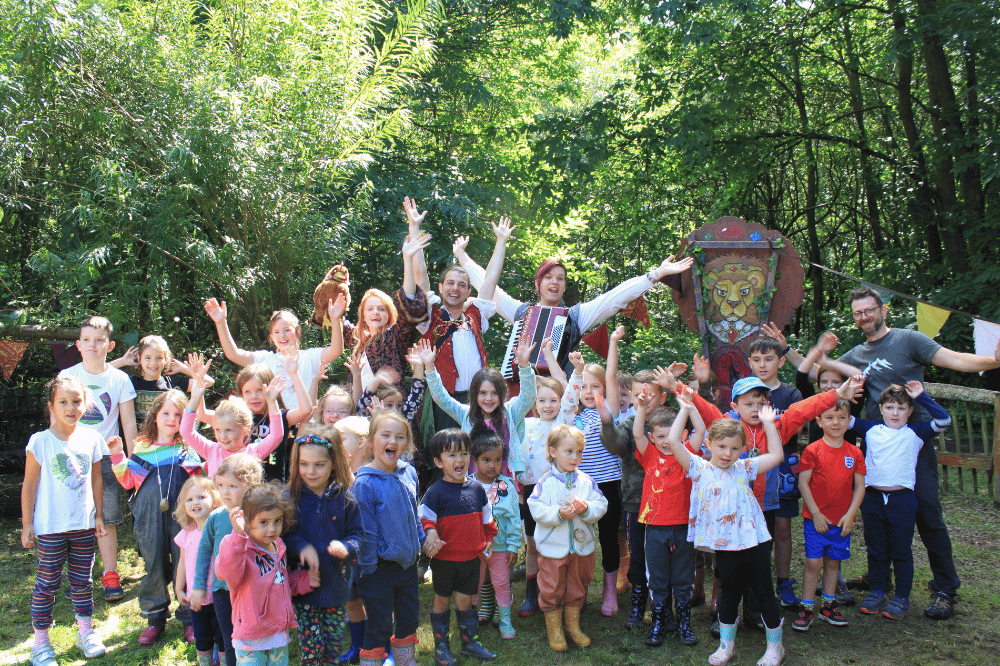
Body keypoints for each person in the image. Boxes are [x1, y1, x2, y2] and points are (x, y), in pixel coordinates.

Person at [829, 286, 1000, 619]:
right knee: (876, 515)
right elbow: (817, 371)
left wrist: (995, 360)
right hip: (876, 446)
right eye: (858, 313)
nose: (865, 317)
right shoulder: (854, 357)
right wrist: (788, 350)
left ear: (883, 310)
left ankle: (945, 588)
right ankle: (879, 579)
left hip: (913, 443)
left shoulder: (909, 340)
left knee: (927, 512)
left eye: (869, 310)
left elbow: (956, 359)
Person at [453, 225, 694, 377]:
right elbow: (489, 287)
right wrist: (463, 258)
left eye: (560, 278)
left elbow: (613, 298)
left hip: (561, 392)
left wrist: (654, 275)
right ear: (538, 284)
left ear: (565, 285)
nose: (554, 283)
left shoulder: (576, 316)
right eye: (548, 277)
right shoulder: (521, 312)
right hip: (522, 391)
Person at [672, 394, 787, 666]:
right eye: (722, 447)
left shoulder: (745, 468)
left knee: (764, 592)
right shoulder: (697, 468)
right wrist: (685, 410)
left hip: (754, 542)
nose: (727, 454)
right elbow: (675, 442)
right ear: (709, 444)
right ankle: (727, 646)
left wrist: (769, 423)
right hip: (725, 545)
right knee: (728, 593)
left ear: (743, 450)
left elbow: (777, 455)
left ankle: (775, 648)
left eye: (734, 449)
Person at [22, 376, 111, 666]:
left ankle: (86, 633)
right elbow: (29, 485)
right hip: (50, 528)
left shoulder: (92, 439)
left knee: (82, 582)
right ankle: (41, 644)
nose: (70, 407)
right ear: (51, 406)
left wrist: (99, 515)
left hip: (84, 526)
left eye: (76, 401)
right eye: (63, 401)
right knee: (47, 583)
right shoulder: (40, 442)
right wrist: (27, 524)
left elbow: (97, 478)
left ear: (85, 405)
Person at [108, 389, 203, 644]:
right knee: (154, 565)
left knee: (186, 564)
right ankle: (155, 617)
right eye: (166, 413)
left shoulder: (187, 448)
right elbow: (128, 481)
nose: (172, 419)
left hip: (183, 520)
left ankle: (189, 617)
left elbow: (198, 485)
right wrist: (118, 455)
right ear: (155, 416)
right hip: (150, 520)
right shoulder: (143, 448)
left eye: (178, 415)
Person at [394, 198, 496, 431]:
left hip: (479, 401)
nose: (455, 288)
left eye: (461, 285)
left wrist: (500, 241)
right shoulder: (431, 317)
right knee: (447, 454)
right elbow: (420, 275)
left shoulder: (475, 316)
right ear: (440, 288)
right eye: (450, 283)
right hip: (445, 401)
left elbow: (490, 280)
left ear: (469, 292)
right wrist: (414, 226)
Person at [853, 382, 951, 620]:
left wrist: (921, 396)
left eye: (901, 408)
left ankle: (902, 596)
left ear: (910, 411)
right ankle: (877, 591)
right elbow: (841, 417)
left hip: (902, 500)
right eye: (890, 407)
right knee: (876, 549)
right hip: (873, 499)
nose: (895, 413)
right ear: (880, 408)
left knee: (901, 551)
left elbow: (944, 420)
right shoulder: (870, 428)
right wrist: (846, 392)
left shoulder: (916, 432)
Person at [59, 316, 138, 603]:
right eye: (88, 340)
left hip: (107, 459)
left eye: (99, 340)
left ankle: (111, 575)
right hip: (73, 458)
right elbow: (58, 420)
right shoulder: (67, 377)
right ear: (78, 345)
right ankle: (80, 577)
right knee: (77, 519)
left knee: (106, 518)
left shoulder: (120, 379)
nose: (93, 345)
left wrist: (134, 459)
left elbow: (128, 423)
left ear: (110, 345)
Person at [600, 364, 685, 630]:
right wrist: (605, 422)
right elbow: (615, 445)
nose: (643, 400)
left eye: (649, 394)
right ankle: (638, 605)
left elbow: (695, 413)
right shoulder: (630, 423)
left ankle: (666, 608)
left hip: (670, 507)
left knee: (668, 559)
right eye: (637, 394)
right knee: (638, 558)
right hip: (638, 504)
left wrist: (677, 384)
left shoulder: (671, 422)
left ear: (662, 397)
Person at [284, 426, 365, 666]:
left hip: (337, 588)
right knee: (312, 650)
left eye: (319, 464)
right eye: (304, 464)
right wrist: (301, 546)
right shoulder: (291, 497)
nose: (310, 471)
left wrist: (346, 547)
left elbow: (358, 536)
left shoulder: (346, 497)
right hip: (304, 590)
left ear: (334, 463)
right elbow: (282, 535)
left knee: (332, 647)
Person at [419, 429, 499, 664]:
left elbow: (487, 518)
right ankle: (441, 648)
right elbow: (424, 517)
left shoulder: (476, 489)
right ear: (438, 462)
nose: (460, 460)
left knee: (465, 601)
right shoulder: (435, 492)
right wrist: (431, 532)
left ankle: (470, 643)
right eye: (452, 455)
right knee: (442, 601)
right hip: (445, 561)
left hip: (471, 560)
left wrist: (489, 539)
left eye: (464, 453)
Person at [353, 411, 426, 666]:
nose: (392, 441)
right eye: (385, 435)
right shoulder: (364, 484)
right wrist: (367, 569)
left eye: (400, 437)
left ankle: (405, 662)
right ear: (372, 442)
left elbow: (413, 514)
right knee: (379, 625)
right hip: (378, 569)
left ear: (407, 444)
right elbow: (367, 532)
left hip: (407, 566)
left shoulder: (409, 473)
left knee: (408, 620)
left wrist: (422, 541)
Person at [633, 390, 704, 648]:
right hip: (654, 528)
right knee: (658, 578)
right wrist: (641, 407)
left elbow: (700, 429)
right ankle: (659, 620)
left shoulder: (687, 455)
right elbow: (637, 434)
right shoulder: (649, 455)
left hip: (683, 527)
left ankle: (685, 622)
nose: (665, 441)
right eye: (660, 437)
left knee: (683, 577)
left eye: (670, 435)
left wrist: (687, 407)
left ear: (681, 435)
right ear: (653, 438)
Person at [528, 425, 609, 652]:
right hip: (554, 548)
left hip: (581, 547)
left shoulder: (586, 481)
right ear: (553, 452)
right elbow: (536, 508)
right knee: (552, 587)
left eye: (579, 452)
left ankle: (573, 626)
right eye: (569, 452)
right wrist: (557, 514)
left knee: (577, 586)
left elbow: (601, 504)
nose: (575, 457)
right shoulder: (546, 482)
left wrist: (586, 510)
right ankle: (555, 629)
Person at [216, 482, 315, 666]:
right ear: (247, 520)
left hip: (277, 635)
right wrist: (238, 537)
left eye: (277, 521)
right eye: (264, 522)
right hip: (250, 639)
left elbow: (280, 582)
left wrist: (304, 581)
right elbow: (225, 572)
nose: (272, 529)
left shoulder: (279, 547)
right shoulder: (237, 547)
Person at [517, 350, 584, 617]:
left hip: (558, 492)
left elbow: (571, 400)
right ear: (534, 403)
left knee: (560, 542)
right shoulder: (525, 424)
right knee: (533, 545)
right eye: (542, 400)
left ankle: (566, 591)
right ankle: (532, 592)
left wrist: (577, 372)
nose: (547, 405)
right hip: (530, 493)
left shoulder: (561, 423)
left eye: (553, 400)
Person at [792, 400, 866, 631]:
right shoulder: (813, 450)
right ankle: (806, 607)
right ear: (819, 421)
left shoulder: (854, 453)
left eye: (841, 418)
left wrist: (850, 515)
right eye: (830, 418)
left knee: (833, 563)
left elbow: (860, 487)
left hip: (841, 521)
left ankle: (828, 605)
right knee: (814, 563)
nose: (836, 422)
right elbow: (803, 483)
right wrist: (815, 513)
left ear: (848, 421)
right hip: (816, 520)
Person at [422, 338, 535, 482]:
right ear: (474, 394)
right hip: (474, 481)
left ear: (502, 394)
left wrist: (524, 366)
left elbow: (529, 396)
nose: (489, 398)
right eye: (483, 393)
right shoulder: (466, 414)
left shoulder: (510, 412)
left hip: (504, 480)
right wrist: (430, 367)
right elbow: (441, 398)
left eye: (494, 393)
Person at [746, 335, 804, 608]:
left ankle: (783, 581)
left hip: (784, 466)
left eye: (768, 359)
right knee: (755, 526)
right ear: (749, 363)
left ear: (781, 362)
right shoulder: (745, 394)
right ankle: (758, 581)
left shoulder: (790, 394)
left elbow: (797, 427)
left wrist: (771, 425)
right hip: (753, 469)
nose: (762, 365)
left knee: (781, 528)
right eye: (757, 360)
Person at [190, 454, 265, 666]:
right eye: (221, 485)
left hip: (252, 590)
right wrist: (198, 587)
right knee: (230, 638)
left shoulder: (259, 516)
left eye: (232, 486)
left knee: (253, 638)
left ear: (251, 486)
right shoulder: (216, 517)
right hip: (222, 591)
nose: (224, 491)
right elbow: (204, 553)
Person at [204, 298, 344, 410]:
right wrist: (221, 322)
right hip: (279, 426)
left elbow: (336, 350)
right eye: (276, 332)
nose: (282, 335)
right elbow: (233, 354)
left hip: (308, 424)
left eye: (287, 330)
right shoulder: (266, 359)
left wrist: (336, 320)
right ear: (271, 337)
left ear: (298, 332)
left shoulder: (310, 356)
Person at [198, 361, 314, 482]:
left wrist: (294, 374)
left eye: (260, 390)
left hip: (273, 485)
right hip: (241, 484)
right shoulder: (236, 418)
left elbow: (306, 410)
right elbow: (201, 414)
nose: (254, 396)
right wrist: (199, 382)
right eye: (247, 392)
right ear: (241, 394)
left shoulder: (280, 416)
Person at [180, 354, 285, 477]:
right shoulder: (212, 450)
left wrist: (272, 402)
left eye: (229, 430)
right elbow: (186, 432)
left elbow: (276, 436)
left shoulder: (252, 452)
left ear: (246, 429)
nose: (223, 436)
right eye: (218, 430)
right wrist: (195, 397)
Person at [573, 360, 624, 616]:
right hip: (580, 486)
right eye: (584, 386)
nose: (589, 392)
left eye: (596, 386)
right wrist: (550, 354)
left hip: (608, 484)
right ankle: (579, 589)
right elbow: (564, 382)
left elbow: (612, 374)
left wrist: (613, 340)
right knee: (581, 539)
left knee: (608, 537)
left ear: (604, 389)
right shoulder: (573, 414)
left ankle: (609, 590)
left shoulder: (609, 411)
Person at [471, 430, 521, 640]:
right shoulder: (467, 484)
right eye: (486, 460)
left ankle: (505, 619)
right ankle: (469, 620)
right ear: (475, 460)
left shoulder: (507, 486)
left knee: (501, 582)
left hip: (500, 548)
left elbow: (513, 519)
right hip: (474, 549)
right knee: (474, 583)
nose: (492, 465)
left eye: (497, 460)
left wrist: (513, 545)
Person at [173, 476, 226, 665]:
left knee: (223, 637)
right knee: (202, 637)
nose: (195, 502)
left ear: (215, 499)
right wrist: (179, 589)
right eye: (189, 499)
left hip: (221, 596)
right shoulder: (186, 533)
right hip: (197, 598)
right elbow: (181, 563)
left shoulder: (221, 530)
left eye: (201, 497)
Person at [116, 334, 192, 426]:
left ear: (166, 360)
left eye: (159, 358)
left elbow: (206, 383)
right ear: (139, 359)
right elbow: (96, 375)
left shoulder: (172, 383)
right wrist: (122, 361)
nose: (153, 363)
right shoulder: (130, 383)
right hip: (138, 438)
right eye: (148, 358)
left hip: (165, 439)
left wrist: (184, 369)